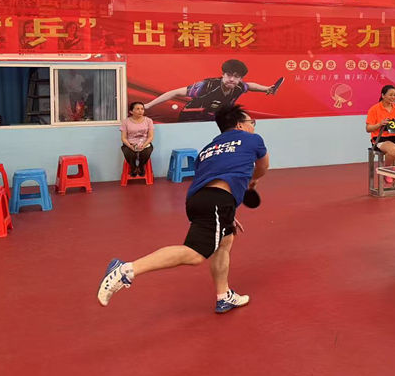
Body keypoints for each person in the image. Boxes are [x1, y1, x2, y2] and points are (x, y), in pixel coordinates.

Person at [98, 104, 270, 313]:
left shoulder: (208, 150)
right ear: (240, 125)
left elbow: (211, 178)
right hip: (217, 201)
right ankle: (126, 269)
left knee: (225, 241)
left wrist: (227, 212)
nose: (253, 126)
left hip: (199, 199)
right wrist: (252, 182)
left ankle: (223, 296)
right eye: (251, 122)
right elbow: (263, 167)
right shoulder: (252, 139)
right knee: (195, 254)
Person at [144, 59, 278, 122]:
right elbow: (174, 93)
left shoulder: (239, 87)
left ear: (240, 79)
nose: (232, 79)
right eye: (229, 75)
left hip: (213, 119)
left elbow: (250, 86)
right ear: (223, 74)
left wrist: (266, 89)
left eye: (236, 77)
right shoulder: (206, 86)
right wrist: (148, 105)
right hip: (191, 118)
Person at [120, 102, 154, 177]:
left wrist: (143, 145)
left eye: (142, 109)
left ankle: (141, 167)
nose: (140, 111)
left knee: (146, 153)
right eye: (137, 109)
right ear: (131, 111)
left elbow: (150, 136)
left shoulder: (149, 121)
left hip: (145, 143)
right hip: (130, 144)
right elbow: (123, 138)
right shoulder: (125, 122)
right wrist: (130, 146)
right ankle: (133, 168)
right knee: (129, 153)